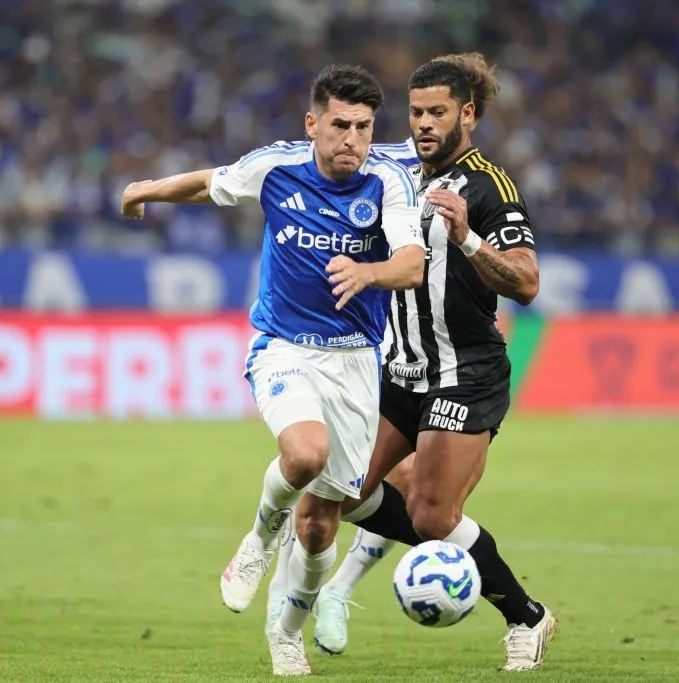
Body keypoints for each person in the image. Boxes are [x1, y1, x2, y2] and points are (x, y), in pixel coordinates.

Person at [120, 64, 425, 676]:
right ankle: (259, 538)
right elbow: (210, 183)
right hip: (283, 347)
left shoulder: (388, 183)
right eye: (340, 126)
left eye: (364, 128)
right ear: (313, 124)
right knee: (305, 454)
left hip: (356, 361)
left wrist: (369, 272)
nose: (352, 141)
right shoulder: (276, 167)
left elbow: (412, 265)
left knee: (318, 527)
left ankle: (286, 630)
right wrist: (147, 188)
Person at [268, 55, 558, 672]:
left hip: (465, 371)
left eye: (438, 113)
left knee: (432, 514)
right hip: (397, 370)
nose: (424, 124)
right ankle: (310, 607)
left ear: (468, 115)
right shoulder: (391, 166)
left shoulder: (489, 188)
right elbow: (324, 150)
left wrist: (469, 239)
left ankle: (526, 618)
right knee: (340, 493)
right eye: (417, 112)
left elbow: (528, 284)